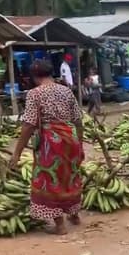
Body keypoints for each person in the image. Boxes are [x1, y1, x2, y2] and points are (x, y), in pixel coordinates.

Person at [9, 60, 84, 235]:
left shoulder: (34, 94)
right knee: (70, 175)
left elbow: (28, 125)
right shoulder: (66, 90)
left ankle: (59, 225)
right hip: (70, 137)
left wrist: (17, 153)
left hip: (50, 142)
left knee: (50, 179)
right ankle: (74, 215)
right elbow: (78, 120)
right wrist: (79, 144)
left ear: (35, 76)